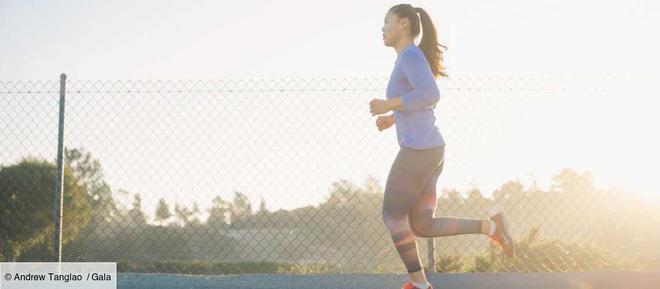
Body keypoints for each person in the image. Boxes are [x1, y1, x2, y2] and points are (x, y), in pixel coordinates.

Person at [369, 4, 515, 289]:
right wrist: (393, 117)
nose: (383, 27)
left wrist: (390, 104)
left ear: (404, 25)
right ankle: (492, 226)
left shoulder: (410, 56)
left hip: (420, 150)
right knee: (422, 225)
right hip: (431, 149)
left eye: (387, 21)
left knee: (392, 214)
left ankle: (419, 284)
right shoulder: (407, 58)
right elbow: (418, 102)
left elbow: (430, 94)